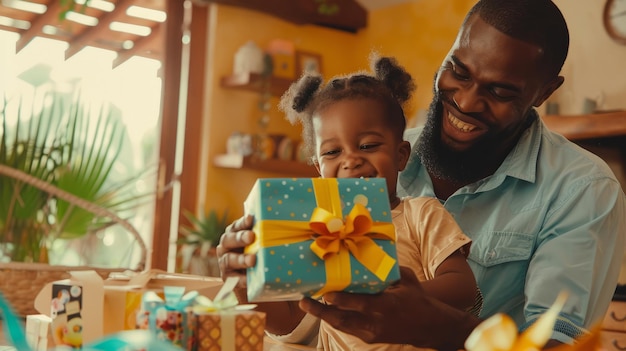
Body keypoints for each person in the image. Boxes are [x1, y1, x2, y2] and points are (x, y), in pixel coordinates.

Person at [218, 0, 626, 350]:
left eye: (500, 91)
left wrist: (439, 325)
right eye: (459, 71)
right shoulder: (371, 160)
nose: (466, 102)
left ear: (543, 93)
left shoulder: (584, 191)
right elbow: (305, 324)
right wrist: (246, 278)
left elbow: (553, 345)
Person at [219, 55, 482, 350]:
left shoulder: (421, 213)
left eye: (368, 146)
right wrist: (244, 282)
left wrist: (407, 300)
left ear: (400, 155)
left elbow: (462, 286)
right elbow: (289, 322)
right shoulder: (316, 230)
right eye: (332, 153)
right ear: (318, 169)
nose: (351, 161)